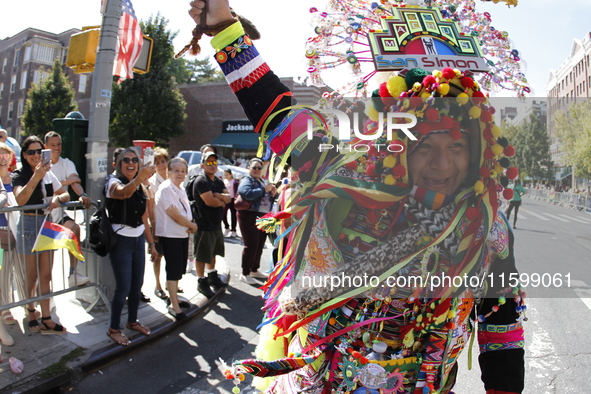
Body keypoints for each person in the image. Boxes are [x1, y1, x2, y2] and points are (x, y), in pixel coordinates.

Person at [185, 2, 525, 393]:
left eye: (457, 148)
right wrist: (226, 30)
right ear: (401, 146)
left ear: (477, 151)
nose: (442, 165)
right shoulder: (348, 180)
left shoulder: (488, 231)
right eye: (426, 147)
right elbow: (278, 115)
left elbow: (502, 331)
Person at [13, 136, 70, 335]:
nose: (36, 155)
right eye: (31, 152)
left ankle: (46, 318)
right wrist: (36, 176)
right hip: (28, 224)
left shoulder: (48, 173)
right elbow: (20, 200)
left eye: (39, 151)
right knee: (32, 275)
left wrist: (57, 197)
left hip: (46, 224)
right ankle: (31, 311)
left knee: (46, 274)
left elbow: (65, 194)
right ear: (24, 154)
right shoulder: (19, 174)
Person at [105, 147, 158, 346]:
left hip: (137, 240)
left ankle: (133, 321)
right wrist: (139, 179)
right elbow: (122, 194)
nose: (131, 163)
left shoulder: (140, 184)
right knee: (123, 287)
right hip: (121, 241)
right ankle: (113, 328)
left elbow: (144, 217)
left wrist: (151, 243)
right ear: (117, 164)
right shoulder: (113, 181)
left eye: (134, 160)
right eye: (125, 160)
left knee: (137, 286)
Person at [44, 131, 91, 288]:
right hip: (42, 218)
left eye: (59, 144)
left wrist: (82, 194)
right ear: (46, 147)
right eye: (52, 145)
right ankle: (45, 297)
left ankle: (73, 273)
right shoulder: (42, 165)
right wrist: (65, 181)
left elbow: (75, 181)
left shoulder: (66, 163)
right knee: (46, 263)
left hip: (57, 215)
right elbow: (50, 187)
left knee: (74, 230)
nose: (57, 148)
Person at [154, 158, 197, 320]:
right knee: (173, 270)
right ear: (169, 172)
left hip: (180, 235)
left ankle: (175, 298)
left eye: (182, 171)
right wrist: (192, 226)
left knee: (178, 269)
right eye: (176, 171)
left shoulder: (179, 188)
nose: (180, 174)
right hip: (170, 236)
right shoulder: (166, 189)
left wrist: (189, 223)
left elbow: (183, 212)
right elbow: (173, 214)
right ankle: (174, 306)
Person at [192, 151, 230, 298]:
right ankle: (201, 282)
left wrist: (218, 196)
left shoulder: (218, 181)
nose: (212, 165)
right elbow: (209, 201)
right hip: (203, 225)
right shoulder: (201, 181)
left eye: (214, 162)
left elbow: (229, 198)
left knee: (213, 252)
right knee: (202, 255)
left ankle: (212, 276)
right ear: (203, 165)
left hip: (216, 224)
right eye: (209, 162)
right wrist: (220, 200)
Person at [236, 158, 276, 284]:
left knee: (259, 245)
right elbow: (246, 193)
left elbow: (267, 197)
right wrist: (265, 189)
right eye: (254, 167)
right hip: (250, 215)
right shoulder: (247, 180)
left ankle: (254, 269)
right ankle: (245, 273)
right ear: (249, 168)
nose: (257, 170)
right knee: (251, 245)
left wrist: (272, 192)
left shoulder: (262, 181)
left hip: (264, 216)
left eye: (259, 168)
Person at [0, 143, 24, 329]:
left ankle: (26, 301)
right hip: (2, 230)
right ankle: (5, 307)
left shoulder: (15, 178)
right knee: (5, 271)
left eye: (6, 155)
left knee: (21, 267)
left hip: (19, 228)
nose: (2, 158)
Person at [148, 147, 170, 300]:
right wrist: (153, 227)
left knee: (172, 255)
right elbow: (150, 207)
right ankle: (158, 285)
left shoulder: (174, 177)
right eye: (157, 163)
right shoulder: (151, 182)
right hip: (158, 225)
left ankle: (170, 283)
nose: (161, 165)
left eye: (163, 161)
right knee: (158, 256)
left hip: (173, 225)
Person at [222, 168, 238, 237]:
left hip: (233, 199)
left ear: (231, 174)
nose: (226, 176)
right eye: (225, 175)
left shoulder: (235, 182)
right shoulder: (224, 181)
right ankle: (227, 227)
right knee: (223, 214)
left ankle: (233, 230)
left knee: (233, 215)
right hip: (226, 199)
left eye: (227, 175)